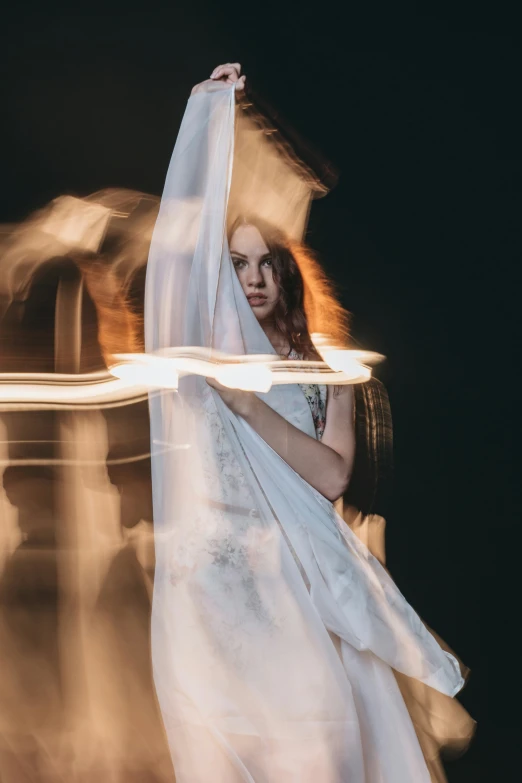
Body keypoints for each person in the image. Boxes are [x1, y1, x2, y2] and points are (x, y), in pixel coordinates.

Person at [145, 63, 467, 782]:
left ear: (288, 272)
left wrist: (248, 403)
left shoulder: (324, 370)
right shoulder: (204, 349)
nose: (252, 276)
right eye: (236, 263)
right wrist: (207, 113)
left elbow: (331, 475)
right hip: (213, 594)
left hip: (292, 588)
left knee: (319, 753)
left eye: (266, 262)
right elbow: (180, 251)